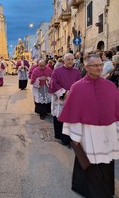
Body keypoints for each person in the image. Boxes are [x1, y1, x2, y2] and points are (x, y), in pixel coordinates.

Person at [58, 54, 119, 198]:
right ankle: (90, 190)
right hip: (88, 132)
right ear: (86, 67)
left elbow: (116, 109)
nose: (99, 68)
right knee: (87, 160)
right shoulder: (77, 87)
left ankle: (106, 189)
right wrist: (76, 135)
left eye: (100, 65)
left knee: (106, 161)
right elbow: (72, 112)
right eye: (95, 65)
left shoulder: (110, 86)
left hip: (107, 131)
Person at [49, 53, 81, 146]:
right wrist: (64, 92)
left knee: (71, 119)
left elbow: (80, 83)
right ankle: (62, 137)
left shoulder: (76, 72)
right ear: (64, 60)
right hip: (60, 99)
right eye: (68, 59)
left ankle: (70, 137)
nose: (70, 61)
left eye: (72, 59)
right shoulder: (57, 71)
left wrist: (74, 93)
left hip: (73, 98)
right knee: (61, 117)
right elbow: (53, 83)